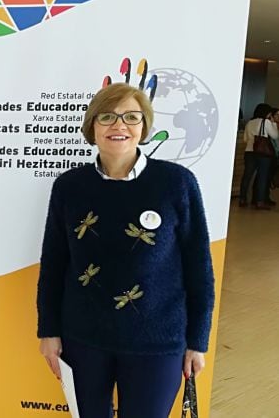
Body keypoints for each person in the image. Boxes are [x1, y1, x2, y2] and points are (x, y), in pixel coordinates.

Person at [37, 83, 215, 418]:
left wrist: (198, 340)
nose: (119, 125)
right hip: (83, 339)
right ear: (92, 126)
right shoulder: (69, 187)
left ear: (144, 127)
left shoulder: (177, 183)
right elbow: (54, 265)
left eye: (131, 117)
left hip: (157, 343)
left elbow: (199, 270)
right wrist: (48, 330)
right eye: (107, 116)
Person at [239, 103, 278, 209]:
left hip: (249, 152)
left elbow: (245, 139)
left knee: (247, 176)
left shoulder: (249, 122)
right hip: (263, 154)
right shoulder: (266, 122)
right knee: (262, 177)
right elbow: (275, 135)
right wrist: (273, 123)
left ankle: (242, 199)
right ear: (266, 112)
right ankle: (259, 202)